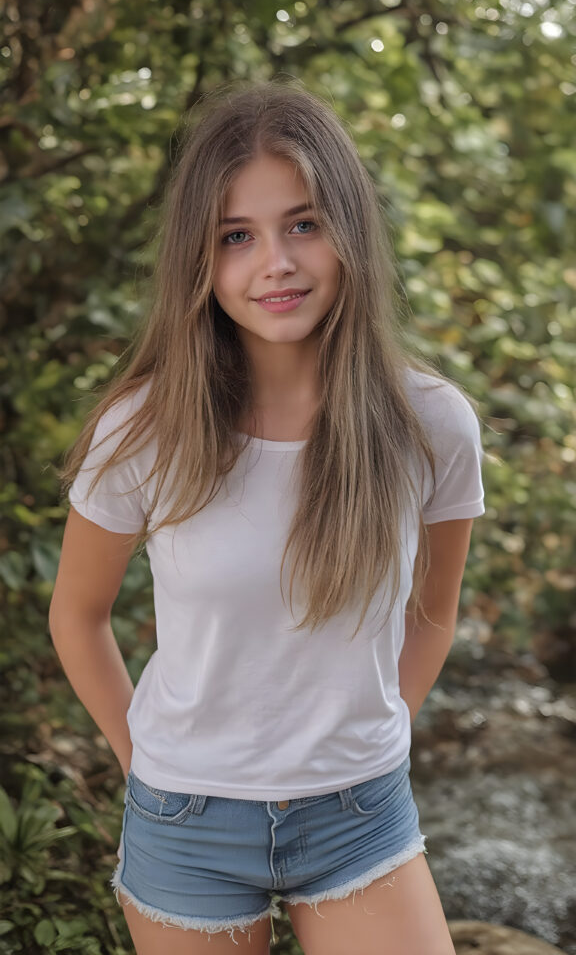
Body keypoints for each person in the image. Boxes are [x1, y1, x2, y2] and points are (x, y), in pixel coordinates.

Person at [49, 81, 484, 955]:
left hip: (361, 812)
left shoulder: (430, 423)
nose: (275, 263)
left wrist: (372, 732)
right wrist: (152, 770)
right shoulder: (141, 429)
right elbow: (78, 614)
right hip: (187, 819)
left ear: (349, 232)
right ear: (198, 260)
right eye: (236, 237)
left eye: (305, 224)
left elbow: (432, 611)